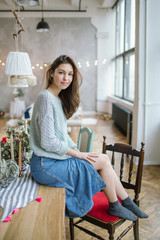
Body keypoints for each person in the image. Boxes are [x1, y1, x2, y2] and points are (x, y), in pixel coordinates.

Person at [30, 55, 148, 220]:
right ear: (51, 73)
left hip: (54, 160)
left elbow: (62, 135)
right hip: (45, 165)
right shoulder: (45, 98)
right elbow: (48, 141)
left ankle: (125, 203)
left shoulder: (56, 98)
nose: (66, 78)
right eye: (61, 73)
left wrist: (77, 150)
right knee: (103, 160)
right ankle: (119, 204)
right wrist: (78, 155)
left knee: (103, 160)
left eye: (70, 74)